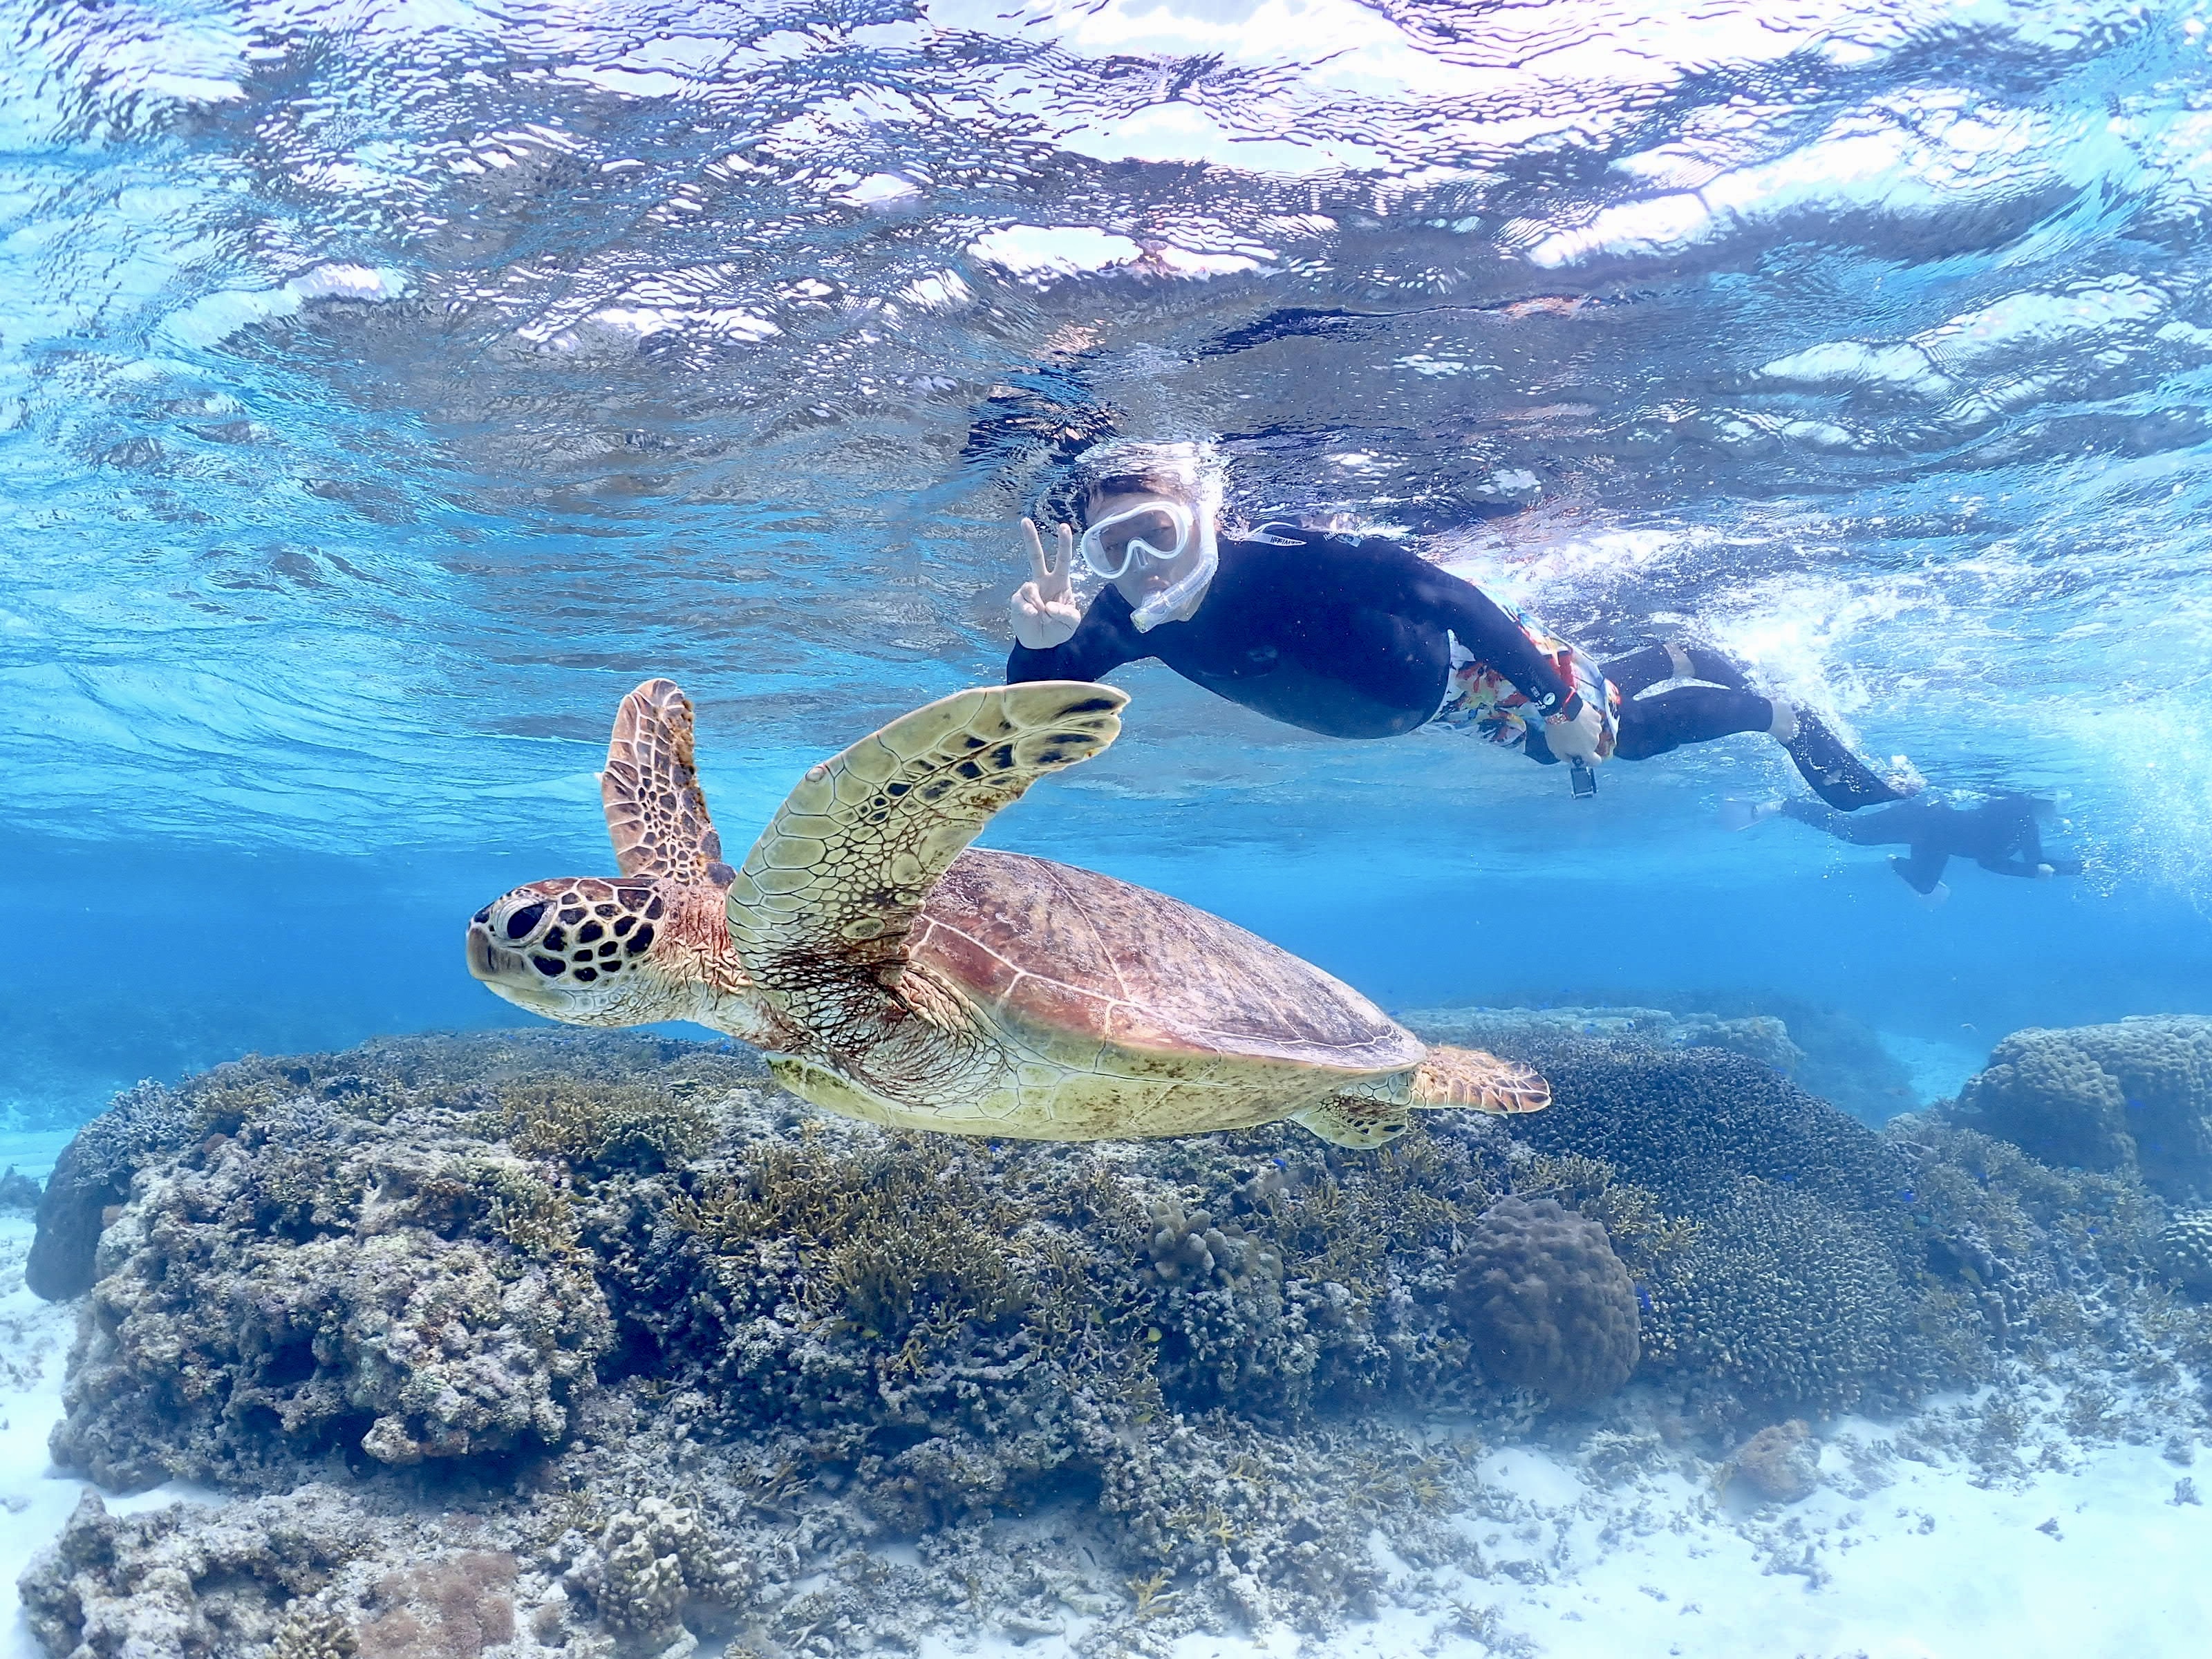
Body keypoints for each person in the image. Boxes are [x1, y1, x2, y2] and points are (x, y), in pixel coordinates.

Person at [1005, 438, 1911, 807]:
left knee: (1607, 741)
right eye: (1113, 549)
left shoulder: (1297, 562)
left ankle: (1780, 718)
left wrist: (1557, 698)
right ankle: (1672, 654)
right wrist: (1036, 649)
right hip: (1436, 708)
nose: (1145, 564)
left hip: (1471, 662)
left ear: (1205, 516)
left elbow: (1454, 601)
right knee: (1568, 740)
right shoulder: (1130, 618)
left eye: (1157, 532)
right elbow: (1033, 715)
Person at [1730, 791, 2081, 906]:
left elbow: (2034, 861)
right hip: (1924, 820)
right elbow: (1993, 861)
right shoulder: (2017, 810)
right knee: (1854, 833)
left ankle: (1898, 865)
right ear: (2042, 799)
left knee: (1926, 886)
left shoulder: (2027, 823)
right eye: (2057, 803)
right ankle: (1784, 805)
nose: (2059, 811)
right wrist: (2032, 872)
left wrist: (2075, 868)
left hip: (1937, 840)